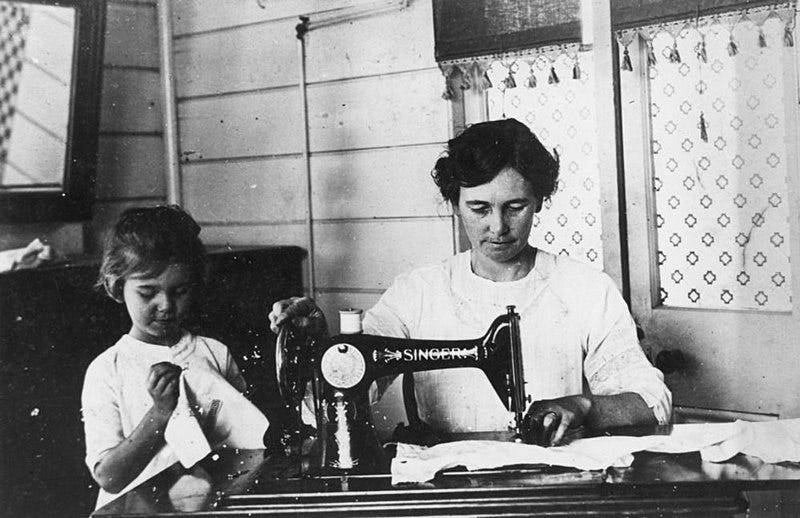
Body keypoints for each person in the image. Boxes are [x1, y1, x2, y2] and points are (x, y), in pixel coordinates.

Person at [269, 118, 671, 447]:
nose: (498, 227)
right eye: (479, 208)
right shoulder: (418, 292)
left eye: (516, 206)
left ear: (540, 201)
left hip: (552, 482)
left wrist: (583, 406)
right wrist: (327, 352)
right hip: (444, 488)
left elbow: (652, 402)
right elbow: (339, 390)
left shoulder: (585, 288)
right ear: (455, 204)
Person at [81, 205, 249, 508]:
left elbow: (245, 442)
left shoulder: (214, 353)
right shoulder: (107, 370)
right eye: (147, 293)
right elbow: (109, 477)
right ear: (116, 286)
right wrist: (159, 413)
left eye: (180, 291)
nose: (166, 305)